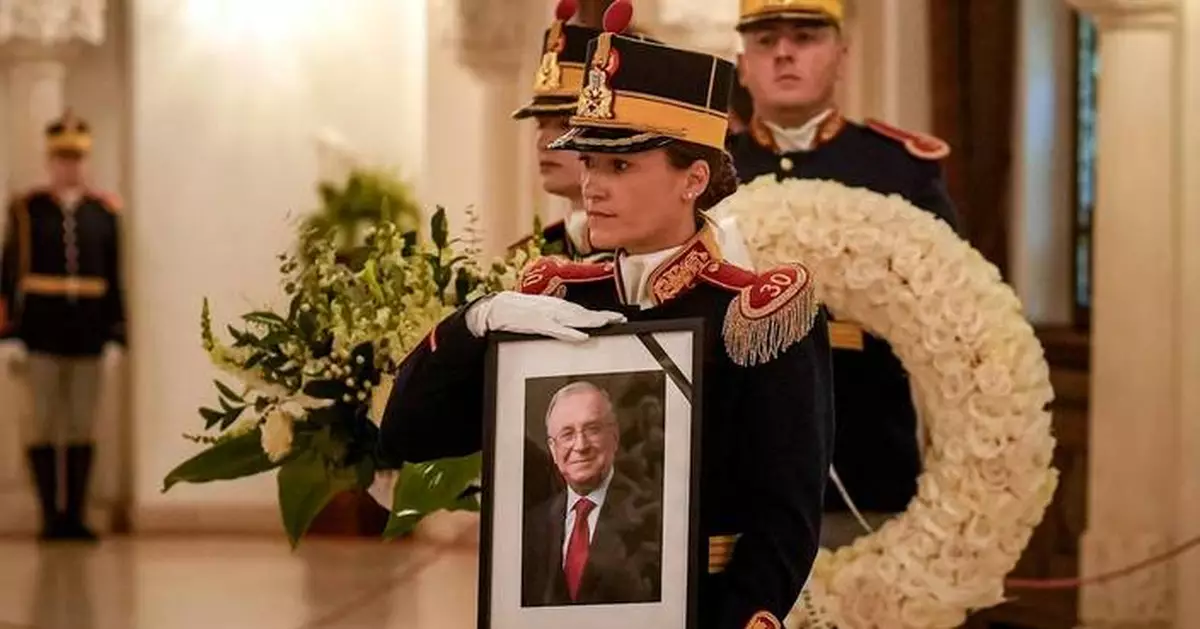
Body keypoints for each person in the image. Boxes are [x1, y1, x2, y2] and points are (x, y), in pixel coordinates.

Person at [375, 4, 834, 627]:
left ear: (693, 177)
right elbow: (411, 434)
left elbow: (785, 520)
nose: (593, 185)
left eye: (620, 165)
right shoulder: (557, 301)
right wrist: (474, 323)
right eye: (589, 162)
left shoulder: (754, 316)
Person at [724, 0, 959, 545]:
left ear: (842, 54)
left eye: (805, 37)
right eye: (765, 41)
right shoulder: (707, 170)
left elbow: (947, 312)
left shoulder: (897, 169)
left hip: (863, 462)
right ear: (742, 63)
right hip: (737, 473)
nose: (784, 53)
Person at [0, 110, 125, 542]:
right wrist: (9, 333)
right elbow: (8, 273)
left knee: (81, 424)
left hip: (88, 333)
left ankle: (74, 515)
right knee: (41, 424)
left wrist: (116, 333)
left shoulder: (103, 213)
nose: (68, 165)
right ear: (49, 160)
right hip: (40, 332)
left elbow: (114, 277)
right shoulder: (27, 211)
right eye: (61, 157)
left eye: (76, 158)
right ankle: (49, 517)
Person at [522, 381, 660, 606]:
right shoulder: (532, 526)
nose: (581, 445)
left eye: (592, 429)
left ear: (615, 436)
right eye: (567, 434)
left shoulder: (652, 514)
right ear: (552, 449)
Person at [508, 0, 606, 261]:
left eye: (566, 124)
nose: (543, 141)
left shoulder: (636, 260)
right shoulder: (528, 256)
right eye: (540, 123)